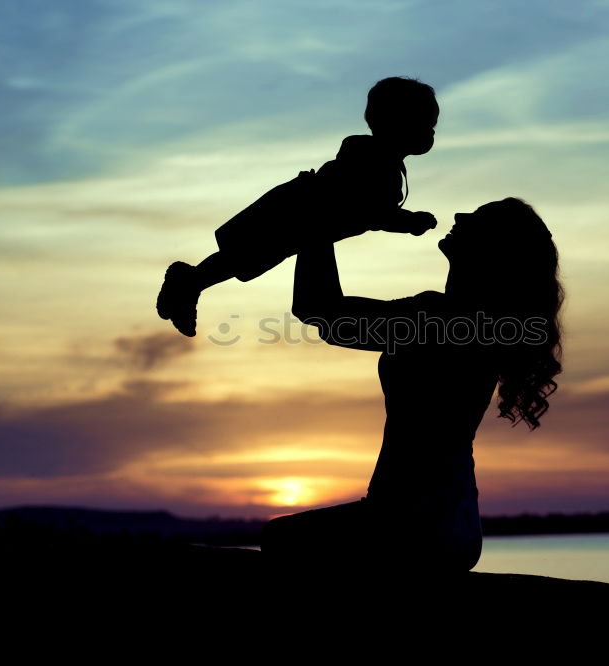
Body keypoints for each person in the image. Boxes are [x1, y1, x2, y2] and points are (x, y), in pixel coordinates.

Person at [260, 197, 564, 576]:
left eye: (477, 218)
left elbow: (320, 310)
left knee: (280, 538)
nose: (459, 215)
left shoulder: (440, 318)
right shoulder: (476, 322)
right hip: (452, 527)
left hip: (411, 525)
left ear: (492, 249)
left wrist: (319, 221)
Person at [156, 76, 441, 337]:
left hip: (299, 218)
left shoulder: (381, 163)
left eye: (432, 126)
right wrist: (408, 222)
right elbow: (369, 211)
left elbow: (370, 211)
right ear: (398, 123)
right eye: (426, 125)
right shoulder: (375, 164)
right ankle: (189, 281)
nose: (431, 134)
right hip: (295, 214)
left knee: (245, 257)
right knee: (245, 255)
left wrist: (404, 220)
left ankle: (190, 282)